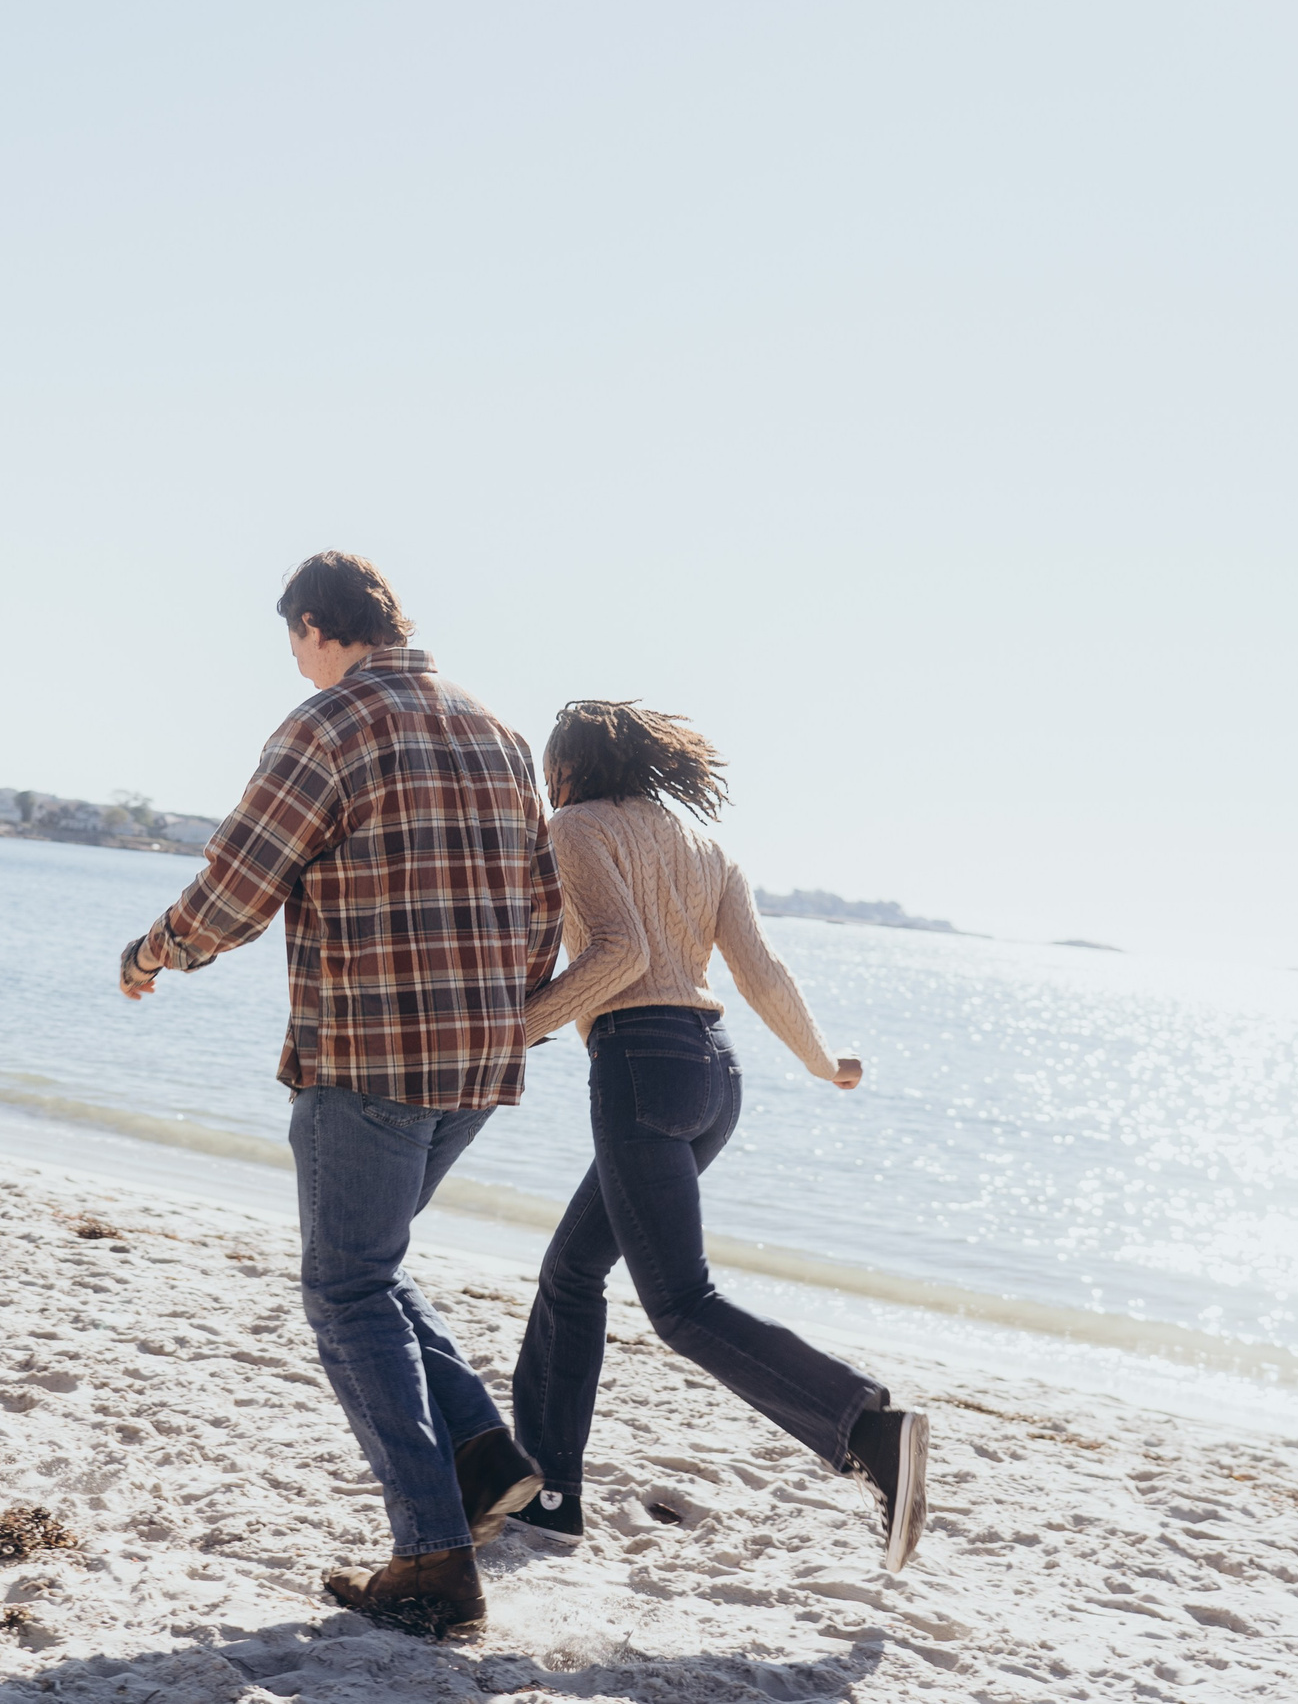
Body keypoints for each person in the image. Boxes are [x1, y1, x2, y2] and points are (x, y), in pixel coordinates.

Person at [118, 552, 563, 1632]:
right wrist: (500, 1016)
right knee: (370, 1268)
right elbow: (545, 905)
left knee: (347, 1291)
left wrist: (156, 949)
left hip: (371, 1056)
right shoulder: (498, 731)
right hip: (476, 1061)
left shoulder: (330, 723)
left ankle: (432, 1556)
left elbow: (240, 880)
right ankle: (480, 1452)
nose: (297, 663)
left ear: (318, 625)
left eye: (294, 642)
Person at [505, 701, 930, 1571]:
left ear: (571, 766)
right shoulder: (706, 848)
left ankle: (865, 1425)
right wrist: (822, 1061)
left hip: (640, 1066)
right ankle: (549, 1495)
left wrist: (507, 1032)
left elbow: (620, 954)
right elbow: (761, 973)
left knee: (680, 1304)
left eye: (551, 768)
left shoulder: (576, 826)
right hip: (715, 1076)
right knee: (572, 1271)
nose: (549, 783)